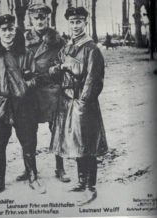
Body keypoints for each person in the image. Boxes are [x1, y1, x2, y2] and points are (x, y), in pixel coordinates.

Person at [0, 14, 45, 196]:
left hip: (24, 105)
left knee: (29, 141)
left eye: (11, 29)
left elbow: (35, 77)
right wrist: (0, 88)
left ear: (15, 30)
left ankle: (33, 177)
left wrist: (23, 86)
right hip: (1, 105)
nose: (7, 33)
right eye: (3, 30)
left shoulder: (26, 52)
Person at [49, 7, 108, 197]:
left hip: (83, 104)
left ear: (85, 23)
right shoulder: (67, 47)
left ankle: (91, 186)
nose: (75, 26)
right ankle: (81, 182)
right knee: (76, 143)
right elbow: (54, 70)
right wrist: (60, 67)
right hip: (67, 102)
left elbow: (93, 80)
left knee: (88, 144)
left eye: (78, 22)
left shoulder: (92, 49)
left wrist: (83, 102)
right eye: (72, 22)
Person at [24, 3, 70, 183]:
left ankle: (60, 168)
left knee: (57, 129)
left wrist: (56, 71)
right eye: (36, 18)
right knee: (28, 131)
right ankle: (30, 169)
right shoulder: (23, 39)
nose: (39, 21)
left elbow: (66, 63)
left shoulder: (58, 40)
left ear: (47, 19)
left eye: (43, 17)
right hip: (30, 91)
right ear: (30, 19)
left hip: (52, 90)